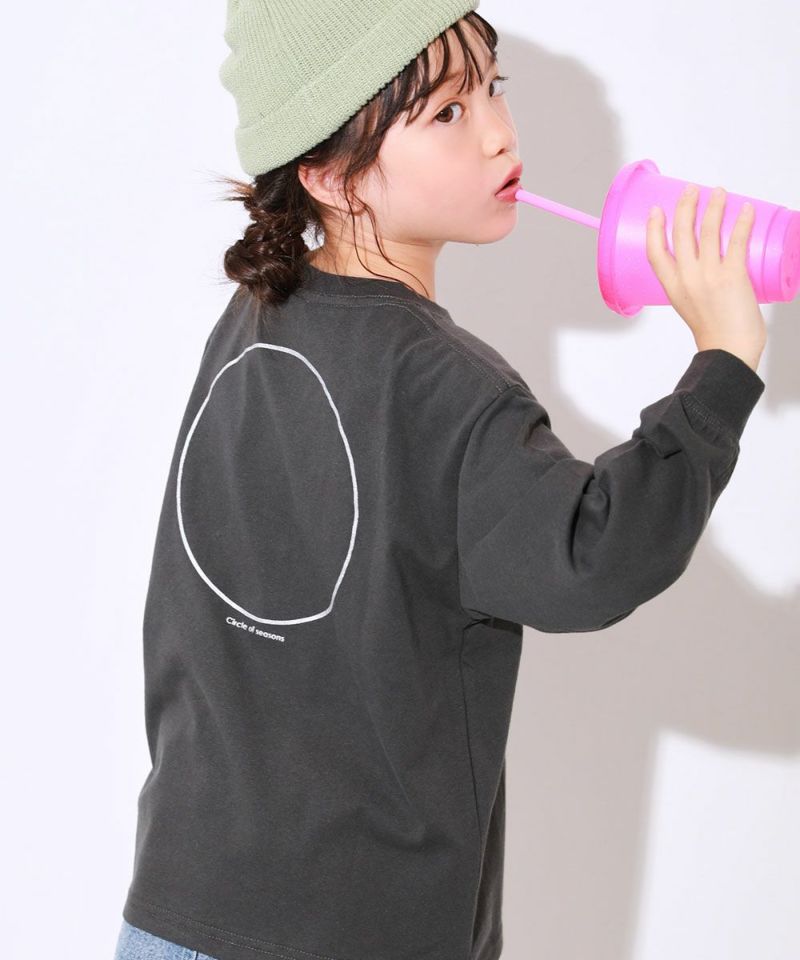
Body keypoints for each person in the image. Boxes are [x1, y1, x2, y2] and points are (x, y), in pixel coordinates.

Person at [113, 2, 767, 959]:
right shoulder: (449, 387)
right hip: (353, 932)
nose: (500, 132)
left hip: (176, 911)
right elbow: (592, 558)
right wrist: (725, 361)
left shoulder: (253, 320)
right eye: (448, 113)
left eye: (493, 88)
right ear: (330, 173)